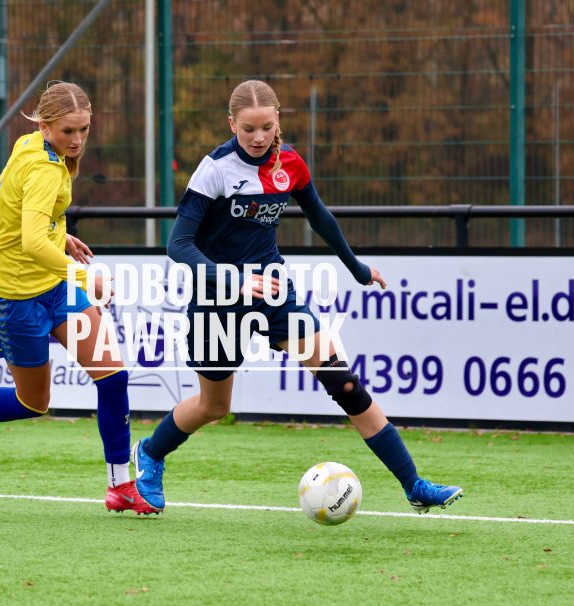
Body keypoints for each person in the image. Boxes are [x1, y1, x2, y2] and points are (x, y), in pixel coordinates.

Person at [132, 80, 463, 514]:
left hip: (274, 293)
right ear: (231, 124)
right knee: (214, 406)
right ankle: (150, 452)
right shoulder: (215, 170)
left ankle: (414, 485)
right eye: (247, 128)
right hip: (217, 300)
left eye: (266, 127)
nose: (258, 137)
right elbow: (178, 245)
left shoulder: (289, 163)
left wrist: (358, 269)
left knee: (344, 383)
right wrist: (234, 279)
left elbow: (320, 217)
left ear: (278, 121)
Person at [0, 81, 158, 515]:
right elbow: (29, 241)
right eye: (68, 131)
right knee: (32, 403)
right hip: (14, 300)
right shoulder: (43, 166)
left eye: (84, 129)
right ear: (44, 126)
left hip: (54, 287)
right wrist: (84, 276)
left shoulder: (31, 145)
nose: (77, 139)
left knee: (113, 377)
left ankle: (120, 484)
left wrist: (59, 236)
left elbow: (12, 206)